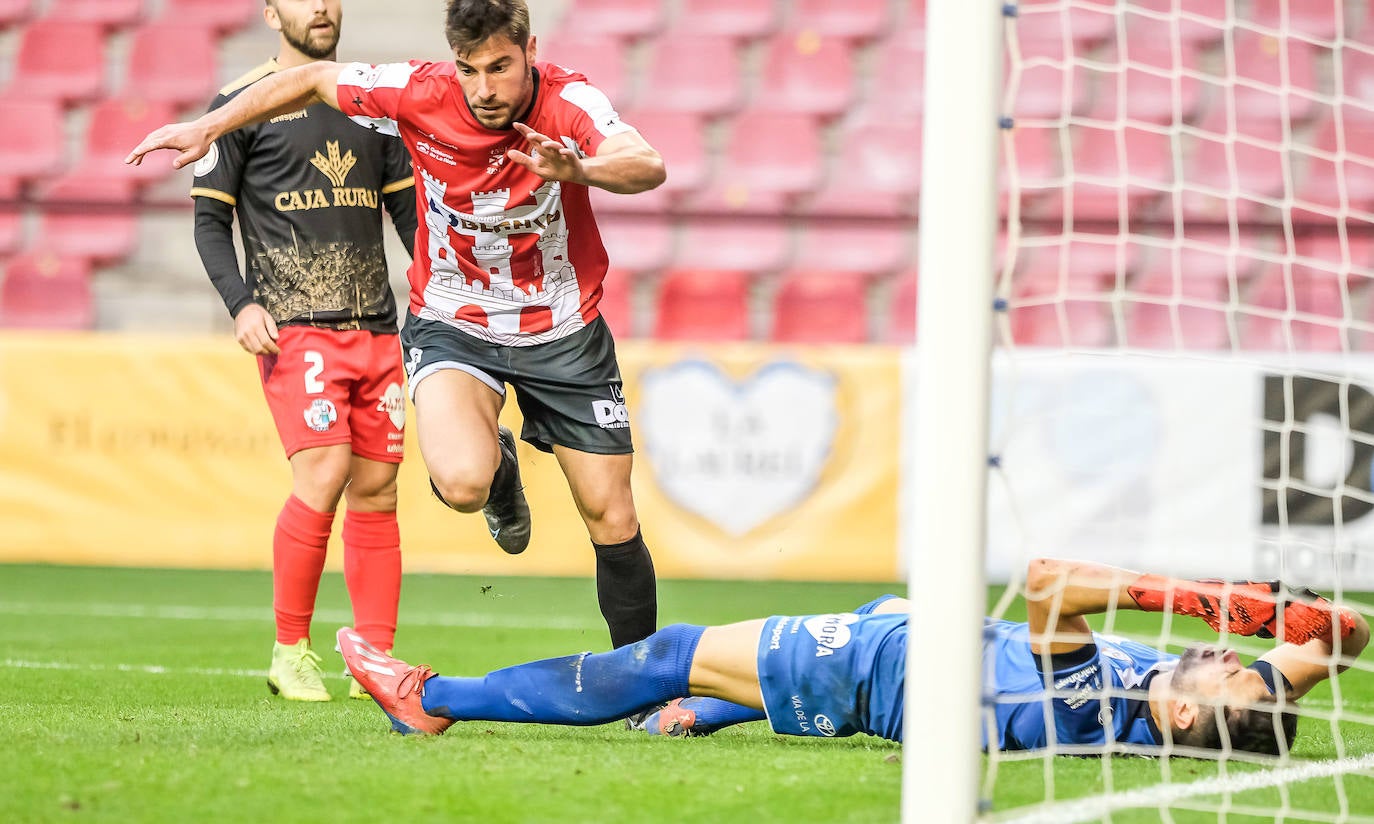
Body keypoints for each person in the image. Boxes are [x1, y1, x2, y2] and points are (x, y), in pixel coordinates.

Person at [129, 0, 663, 655]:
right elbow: (306, 79)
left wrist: (580, 169)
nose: (484, 89)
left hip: (563, 329)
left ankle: (644, 685)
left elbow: (645, 162)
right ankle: (497, 469)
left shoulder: (569, 98)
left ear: (529, 50)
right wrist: (210, 126)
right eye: (470, 70)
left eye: (500, 68)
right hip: (453, 323)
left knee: (612, 515)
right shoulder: (416, 92)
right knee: (461, 484)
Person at [332, 557, 1366, 757]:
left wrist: (1179, 592)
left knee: (666, 655)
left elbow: (1048, 581)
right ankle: (721, 710)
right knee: (709, 684)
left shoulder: (1094, 689)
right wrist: (1320, 637)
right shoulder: (1219, 711)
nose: (1229, 655)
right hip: (923, 640)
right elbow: (1324, 654)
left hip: (882, 670)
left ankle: (436, 699)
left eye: (1226, 667)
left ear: (1182, 711)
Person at [188, 0, 418, 701]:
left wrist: (440, 299)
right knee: (323, 475)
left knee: (377, 491)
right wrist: (241, 303)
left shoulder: (371, 102)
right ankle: (290, 650)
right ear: (268, 13)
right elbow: (209, 221)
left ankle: (374, 659)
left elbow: (408, 214)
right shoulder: (238, 105)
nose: (320, 6)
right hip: (296, 328)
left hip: (378, 327)